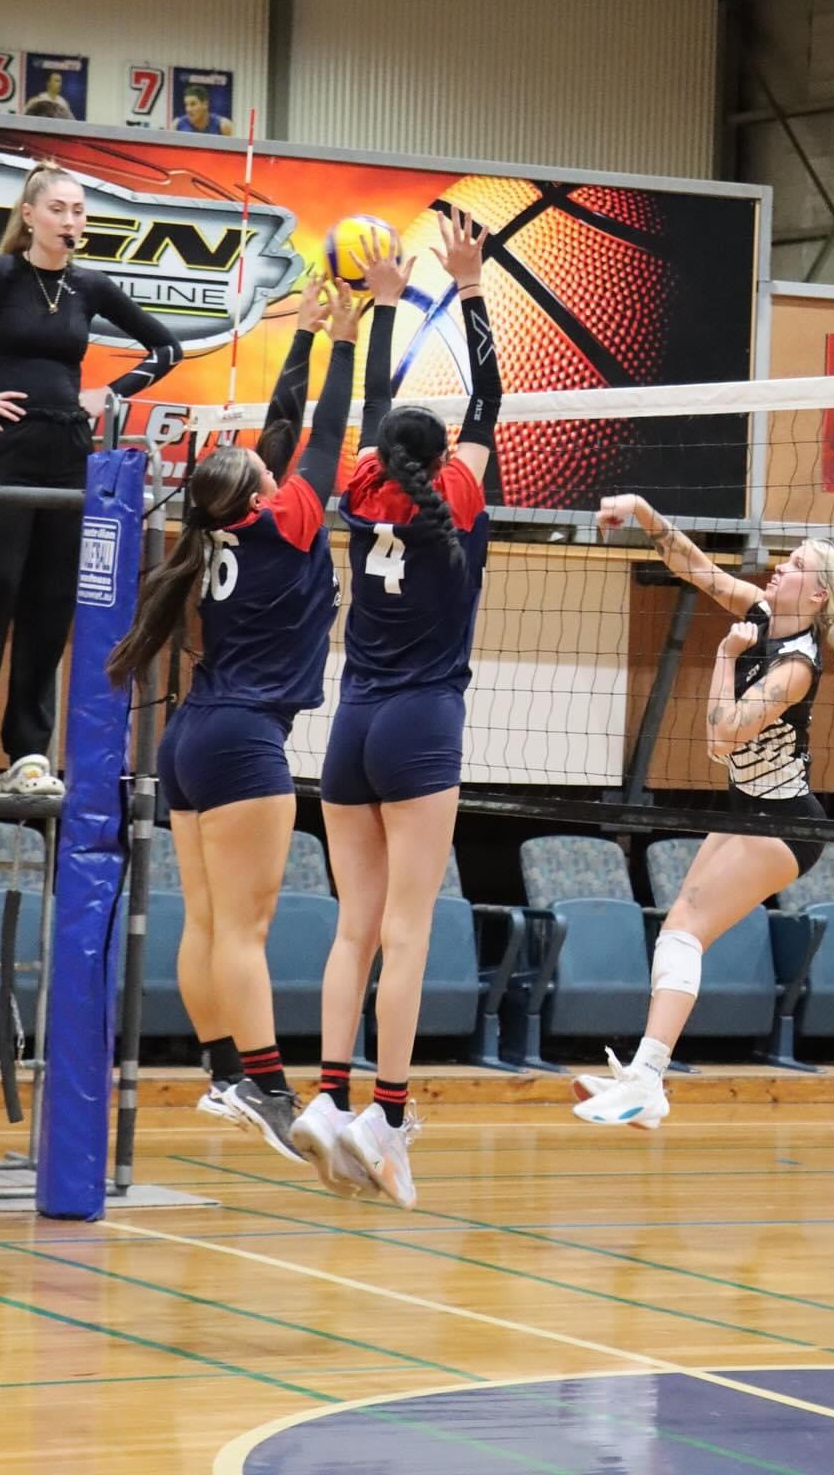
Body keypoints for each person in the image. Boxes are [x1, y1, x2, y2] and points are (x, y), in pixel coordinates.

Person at [106, 278, 356, 1161]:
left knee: (207, 922)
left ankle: (221, 1074)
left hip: (190, 742)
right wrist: (349, 344)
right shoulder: (288, 520)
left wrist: (305, 339)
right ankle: (267, 1087)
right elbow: (319, 435)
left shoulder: (220, 532)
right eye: (261, 465)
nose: (268, 459)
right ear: (259, 492)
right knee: (240, 931)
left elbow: (279, 435)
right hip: (246, 740)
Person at [289, 208, 502, 1209]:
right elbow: (490, 401)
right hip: (422, 728)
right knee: (409, 932)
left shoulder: (364, 492)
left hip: (351, 729)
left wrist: (382, 310)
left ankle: (325, 1097)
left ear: (383, 453)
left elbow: (379, 409)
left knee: (354, 929)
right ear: (446, 453)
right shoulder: (454, 500)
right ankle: (388, 1112)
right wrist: (470, 288)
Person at [573, 514, 834, 1130]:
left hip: (786, 824)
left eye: (797, 565)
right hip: (749, 810)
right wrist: (646, 515)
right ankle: (646, 1079)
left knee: (682, 930)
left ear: (815, 597)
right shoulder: (761, 608)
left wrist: (726, 656)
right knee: (680, 930)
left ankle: (648, 1080)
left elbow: (722, 739)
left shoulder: (796, 667)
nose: (780, 565)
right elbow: (694, 568)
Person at [0, 162, 182, 796]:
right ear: (29, 214)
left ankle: (28, 752)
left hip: (69, 453)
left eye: (79, 211)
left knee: (50, 604)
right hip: (1, 450)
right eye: (59, 210)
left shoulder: (90, 287)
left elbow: (166, 349)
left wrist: (112, 393)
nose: (71, 221)